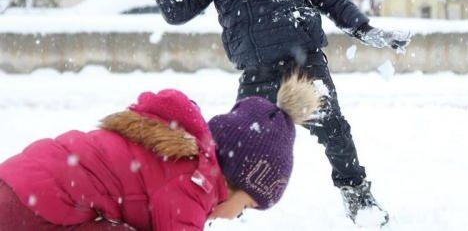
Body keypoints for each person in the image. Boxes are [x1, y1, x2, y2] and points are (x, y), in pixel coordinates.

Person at [144, 0, 410, 226]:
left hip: (304, 63)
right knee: (235, 148)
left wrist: (363, 28)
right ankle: (222, 204)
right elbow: (177, 11)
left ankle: (357, 194)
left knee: (334, 130)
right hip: (256, 72)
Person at [0, 75, 320, 230]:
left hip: (21, 183)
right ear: (236, 179)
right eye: (247, 206)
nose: (237, 216)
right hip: (33, 208)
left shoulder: (180, 156)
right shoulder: (194, 184)